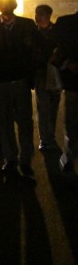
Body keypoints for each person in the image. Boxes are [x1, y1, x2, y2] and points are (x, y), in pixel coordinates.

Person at [0, 0, 40, 177]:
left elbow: (38, 48)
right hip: (0, 82)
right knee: (4, 122)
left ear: (15, 4)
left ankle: (26, 160)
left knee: (25, 122)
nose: (5, 5)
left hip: (20, 81)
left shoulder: (27, 24)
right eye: (2, 2)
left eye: (9, 2)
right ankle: (10, 158)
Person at [34, 5, 61, 150]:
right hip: (40, 73)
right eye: (37, 14)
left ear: (49, 16)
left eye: (41, 14)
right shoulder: (33, 32)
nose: (38, 17)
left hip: (54, 73)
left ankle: (50, 135)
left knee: (53, 105)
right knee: (43, 105)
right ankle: (45, 138)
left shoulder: (57, 31)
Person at [53, 10, 78, 173]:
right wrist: (67, 63)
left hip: (73, 81)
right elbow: (52, 48)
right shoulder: (65, 23)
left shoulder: (65, 22)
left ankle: (69, 157)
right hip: (73, 81)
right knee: (72, 121)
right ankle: (69, 156)